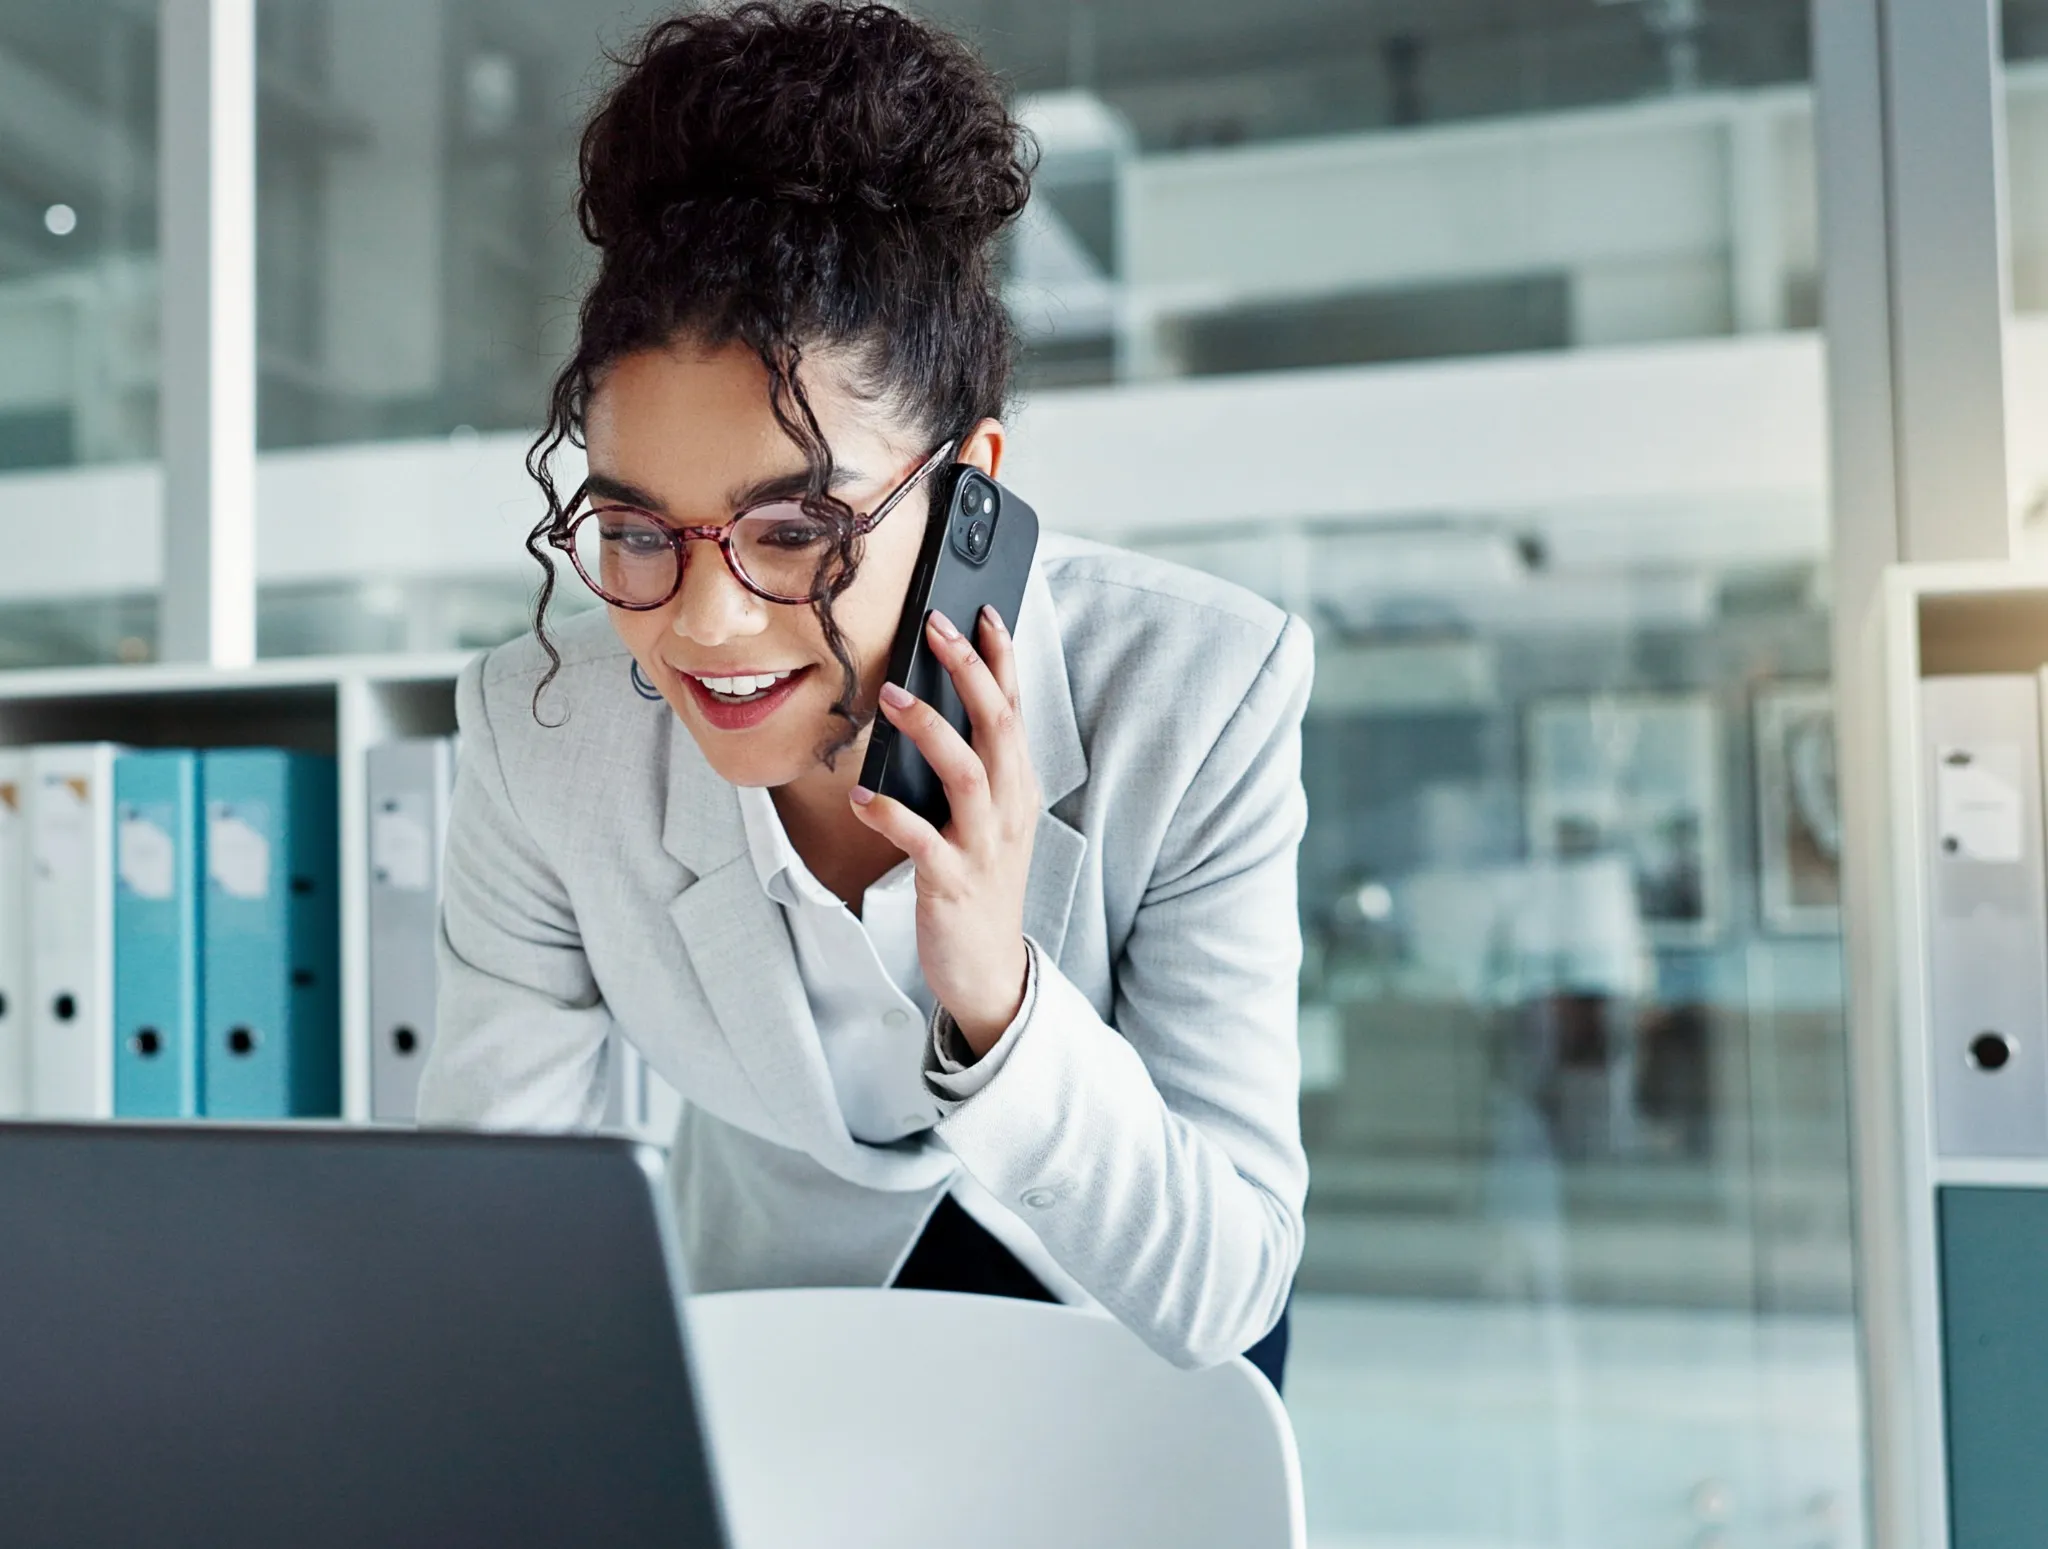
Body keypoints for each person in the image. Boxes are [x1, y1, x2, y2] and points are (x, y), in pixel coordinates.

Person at [417, 0, 1311, 1388]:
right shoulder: (546, 738)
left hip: (1131, 1352)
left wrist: (997, 998)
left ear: (974, 490)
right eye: (639, 533)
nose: (706, 623)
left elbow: (1226, 1286)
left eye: (796, 531)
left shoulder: (1196, 696)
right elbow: (500, 1236)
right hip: (783, 1351)